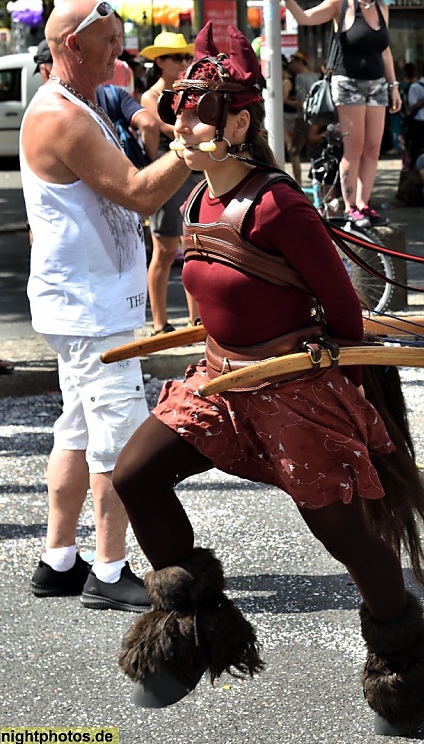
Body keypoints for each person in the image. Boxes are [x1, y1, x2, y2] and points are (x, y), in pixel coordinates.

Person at [109, 24, 424, 729]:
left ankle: (407, 662)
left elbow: (345, 316)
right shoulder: (197, 198)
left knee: (350, 539)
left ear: (239, 122)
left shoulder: (278, 204)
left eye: (200, 107)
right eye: (179, 103)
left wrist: (317, 370)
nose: (182, 116)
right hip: (220, 385)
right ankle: (195, 631)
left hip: (295, 392)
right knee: (132, 477)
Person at [22, 0, 194, 610]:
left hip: (84, 303)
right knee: (120, 443)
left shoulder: (77, 102)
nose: (120, 52)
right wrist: (192, 149)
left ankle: (58, 558)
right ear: (72, 44)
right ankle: (109, 568)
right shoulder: (63, 115)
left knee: (74, 430)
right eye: (112, 40)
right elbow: (137, 194)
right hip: (92, 309)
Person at [283, 0, 401, 228]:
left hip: (377, 84)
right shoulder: (342, 4)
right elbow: (304, 18)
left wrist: (393, 86)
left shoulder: (381, 7)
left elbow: (385, 50)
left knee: (374, 147)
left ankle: (364, 204)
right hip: (348, 83)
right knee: (354, 147)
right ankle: (351, 208)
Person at [139, 31, 200, 335]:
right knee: (163, 251)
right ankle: (160, 323)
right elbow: (169, 129)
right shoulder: (150, 97)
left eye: (186, 57)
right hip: (165, 173)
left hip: (193, 170)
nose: (183, 62)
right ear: (160, 61)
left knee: (193, 248)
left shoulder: (189, 92)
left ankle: (196, 320)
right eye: (177, 57)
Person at [287, 51, 318, 184]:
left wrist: (284, 101)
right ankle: (316, 179)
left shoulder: (300, 77)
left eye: (293, 63)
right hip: (317, 116)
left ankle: (297, 182)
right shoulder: (315, 75)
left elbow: (301, 102)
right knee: (313, 150)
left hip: (304, 117)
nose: (291, 67)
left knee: (294, 151)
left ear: (300, 62)